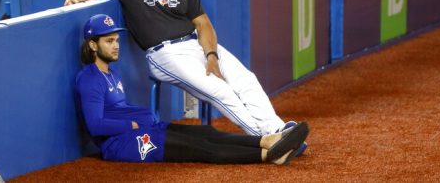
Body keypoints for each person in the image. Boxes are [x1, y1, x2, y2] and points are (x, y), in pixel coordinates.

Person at [65, 0, 305, 142]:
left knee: (246, 80)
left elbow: (203, 24)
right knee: (221, 91)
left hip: (196, 45)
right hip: (164, 53)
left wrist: (211, 55)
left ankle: (277, 128)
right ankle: (267, 138)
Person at [75, 14, 309, 164]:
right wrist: (132, 124)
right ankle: (268, 155)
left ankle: (267, 140)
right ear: (93, 45)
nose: (116, 46)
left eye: (116, 40)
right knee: (201, 148)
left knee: (207, 133)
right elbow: (95, 125)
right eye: (109, 41)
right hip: (124, 143)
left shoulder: (110, 73)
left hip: (146, 128)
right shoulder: (89, 79)